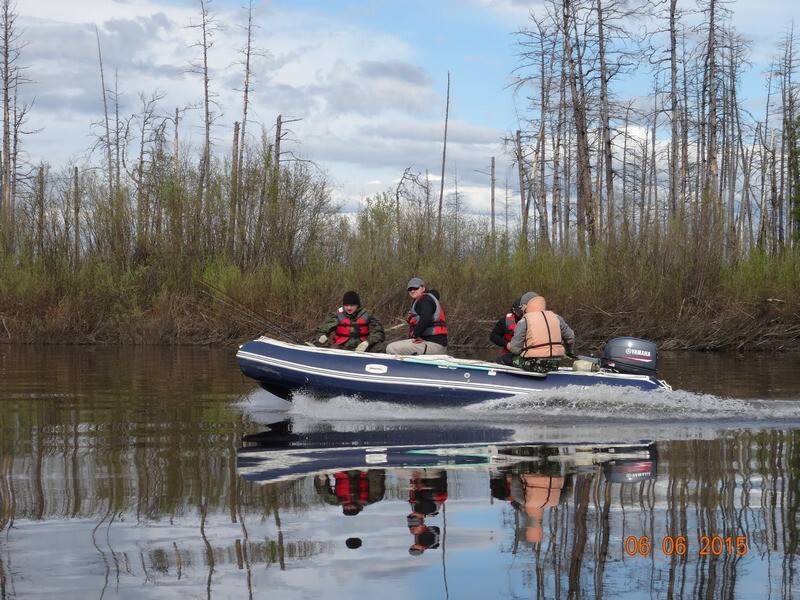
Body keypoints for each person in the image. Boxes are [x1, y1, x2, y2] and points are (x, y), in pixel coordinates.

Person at [507, 292, 575, 373]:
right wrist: (569, 351)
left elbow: (515, 349)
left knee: (505, 358)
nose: (521, 310)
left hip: (534, 363)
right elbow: (570, 337)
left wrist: (509, 345)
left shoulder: (524, 321)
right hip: (555, 363)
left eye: (522, 306)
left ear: (526, 305)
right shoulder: (556, 317)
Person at [385, 278, 448, 355]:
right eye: (410, 289)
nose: (412, 290)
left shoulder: (425, 300)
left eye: (415, 288)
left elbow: (426, 318)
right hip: (430, 342)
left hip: (434, 344)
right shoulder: (423, 300)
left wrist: (416, 335)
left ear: (423, 288)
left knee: (391, 348)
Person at [314, 291, 386, 352]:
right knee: (320, 344)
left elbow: (379, 333)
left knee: (380, 347)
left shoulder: (369, 315)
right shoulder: (337, 316)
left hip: (362, 348)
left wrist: (367, 343)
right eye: (346, 305)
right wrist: (321, 336)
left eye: (352, 305)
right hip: (342, 347)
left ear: (357, 305)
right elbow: (321, 330)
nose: (349, 308)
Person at [489, 297, 523, 365]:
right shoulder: (505, 321)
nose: (522, 315)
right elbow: (493, 336)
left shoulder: (532, 320)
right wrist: (506, 343)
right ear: (513, 310)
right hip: (510, 354)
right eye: (520, 313)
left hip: (527, 354)